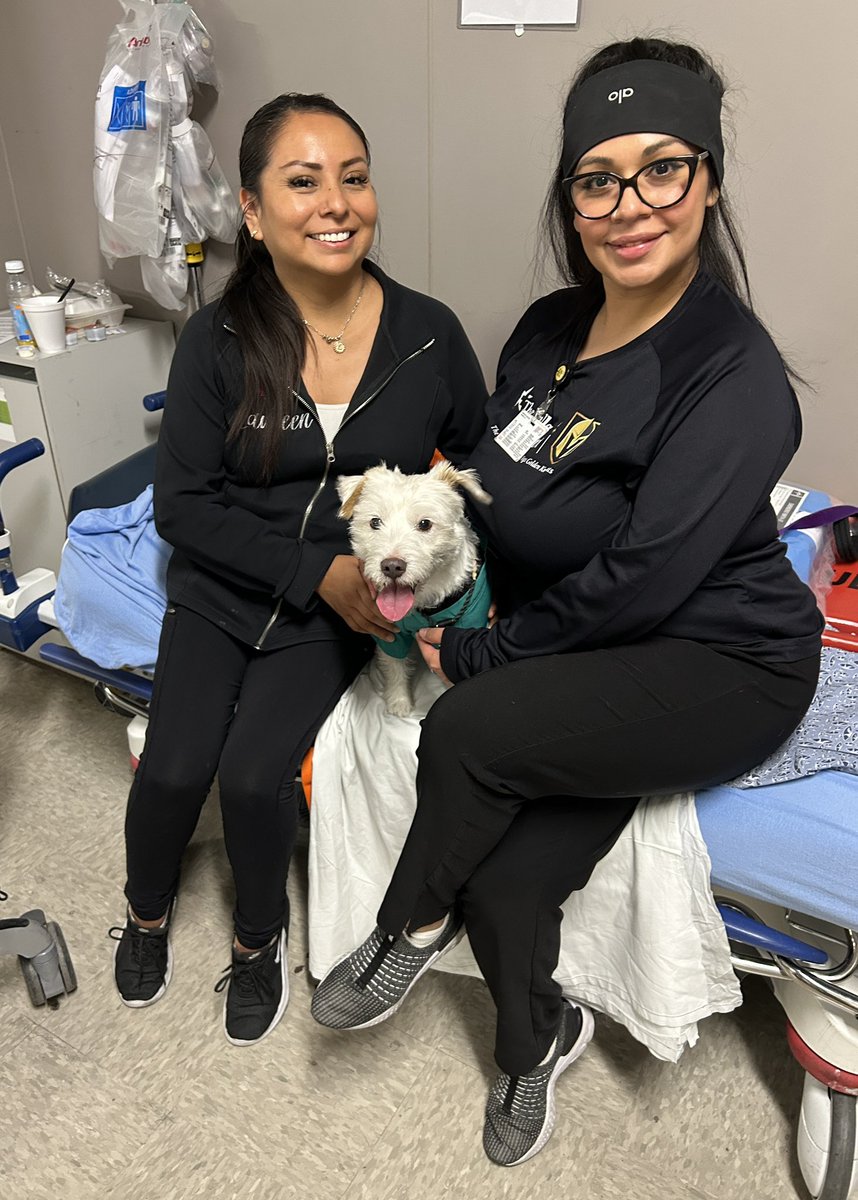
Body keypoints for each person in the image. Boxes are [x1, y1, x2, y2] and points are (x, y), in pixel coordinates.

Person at [310, 39, 823, 1164]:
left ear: (710, 179)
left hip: (719, 662)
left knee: (470, 732)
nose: (629, 205)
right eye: (598, 178)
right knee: (507, 879)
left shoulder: (731, 376)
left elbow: (642, 579)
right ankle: (534, 1043)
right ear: (571, 197)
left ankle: (404, 923)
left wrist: (486, 657)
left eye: (663, 169)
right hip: (593, 645)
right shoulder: (547, 329)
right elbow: (499, 493)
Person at [110, 92, 488, 1046]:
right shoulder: (219, 340)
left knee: (251, 777)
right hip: (224, 588)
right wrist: (308, 570)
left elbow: (477, 457)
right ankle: (146, 912)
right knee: (171, 770)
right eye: (303, 180)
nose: (336, 202)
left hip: (338, 612)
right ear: (251, 210)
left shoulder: (429, 334)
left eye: (353, 178)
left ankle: (255, 941)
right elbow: (184, 504)